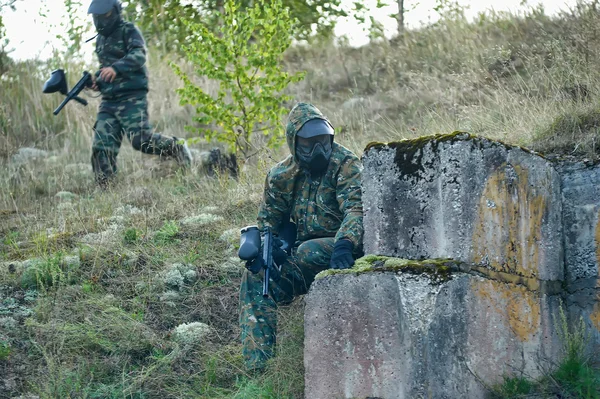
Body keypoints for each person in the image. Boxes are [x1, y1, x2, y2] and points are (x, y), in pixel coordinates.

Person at [239, 102, 364, 371]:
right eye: (310, 143)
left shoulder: (346, 164)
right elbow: (268, 222)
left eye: (323, 141)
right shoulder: (281, 176)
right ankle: (258, 367)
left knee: (308, 250)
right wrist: (270, 249)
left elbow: (356, 208)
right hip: (301, 254)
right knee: (255, 276)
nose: (319, 149)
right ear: (294, 143)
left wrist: (346, 243)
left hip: (344, 248)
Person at [86, 0, 192, 187]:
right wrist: (98, 81)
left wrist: (116, 69)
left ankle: (177, 147)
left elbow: (139, 55)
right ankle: (106, 189)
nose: (101, 20)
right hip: (109, 101)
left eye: (105, 15)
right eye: (97, 16)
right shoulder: (101, 40)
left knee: (140, 141)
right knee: (102, 146)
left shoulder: (129, 30)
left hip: (131, 98)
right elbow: (105, 68)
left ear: (115, 11)